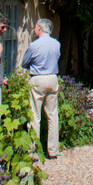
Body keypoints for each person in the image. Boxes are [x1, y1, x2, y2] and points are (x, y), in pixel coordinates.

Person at [20, 17, 61, 159]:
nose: (34, 29)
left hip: (38, 79)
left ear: (40, 28)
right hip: (52, 78)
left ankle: (33, 151)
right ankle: (53, 150)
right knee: (52, 115)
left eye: (36, 27)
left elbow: (24, 62)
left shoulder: (34, 45)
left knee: (35, 115)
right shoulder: (56, 44)